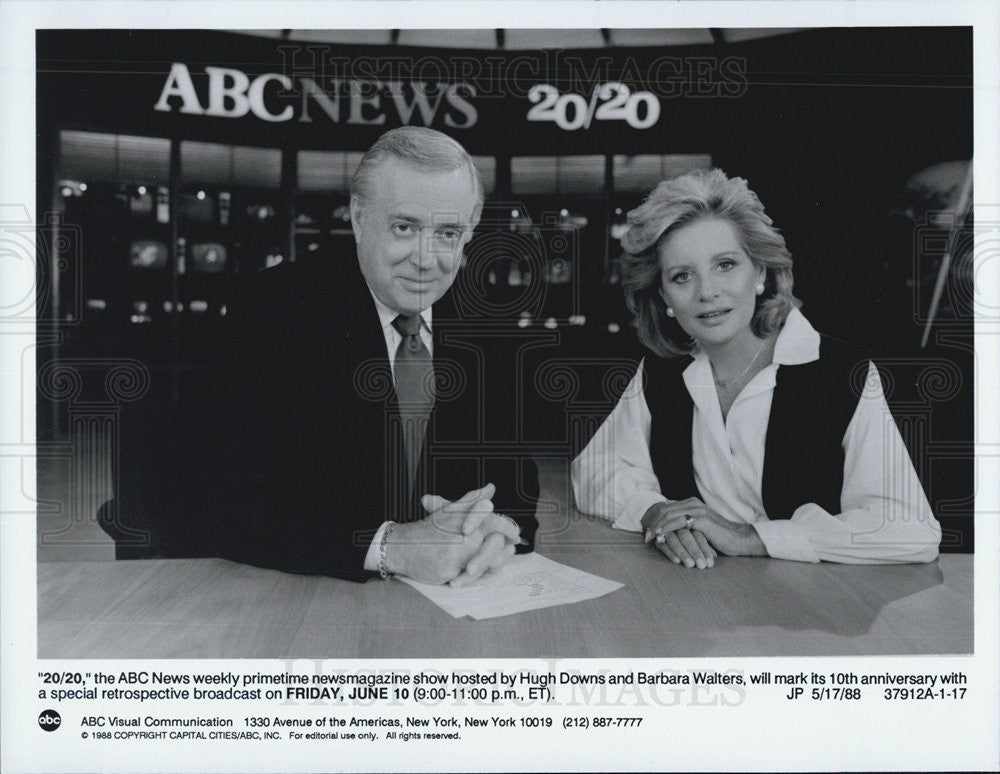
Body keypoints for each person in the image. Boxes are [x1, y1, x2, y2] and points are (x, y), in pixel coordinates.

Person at [101, 127, 538, 584]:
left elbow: (515, 490)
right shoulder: (272, 310)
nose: (426, 259)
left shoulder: (489, 324)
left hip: (451, 600)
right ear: (358, 218)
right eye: (405, 227)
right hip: (304, 593)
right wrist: (389, 546)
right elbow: (233, 503)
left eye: (448, 232)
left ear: (469, 236)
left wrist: (499, 531)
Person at [572, 168, 940, 568]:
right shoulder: (661, 371)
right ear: (664, 295)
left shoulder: (841, 373)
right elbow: (595, 470)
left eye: (725, 265)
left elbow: (911, 530)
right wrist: (653, 510)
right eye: (682, 276)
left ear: (760, 272)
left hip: (823, 611)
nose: (707, 291)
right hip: (699, 599)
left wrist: (750, 538)